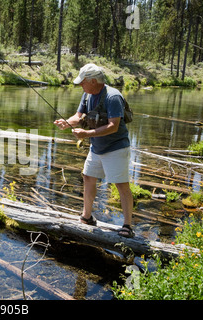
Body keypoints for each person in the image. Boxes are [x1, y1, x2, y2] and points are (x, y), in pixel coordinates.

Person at [54, 63, 134, 238]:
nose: (81, 85)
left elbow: (113, 126)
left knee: (121, 185)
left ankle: (128, 225)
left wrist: (86, 133)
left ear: (92, 80)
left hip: (116, 148)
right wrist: (67, 123)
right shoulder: (87, 94)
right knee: (88, 177)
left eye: (83, 82)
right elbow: (77, 116)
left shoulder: (113, 97)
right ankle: (87, 216)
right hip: (97, 147)